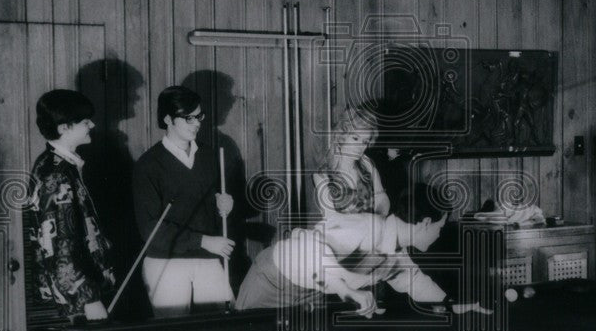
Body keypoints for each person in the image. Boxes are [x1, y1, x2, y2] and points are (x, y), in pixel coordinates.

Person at [237, 183, 489, 315]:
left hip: (307, 293)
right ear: (424, 223)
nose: (439, 233)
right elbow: (312, 251)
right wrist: (347, 291)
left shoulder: (398, 256)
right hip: (271, 277)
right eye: (439, 226)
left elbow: (416, 283)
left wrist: (452, 304)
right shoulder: (367, 227)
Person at [132, 86, 235, 316]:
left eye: (199, 116)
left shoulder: (209, 157)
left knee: (222, 325)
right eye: (188, 118)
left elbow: (214, 207)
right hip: (166, 261)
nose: (197, 124)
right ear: (168, 119)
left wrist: (225, 206)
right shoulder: (148, 165)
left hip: (207, 257)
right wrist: (203, 241)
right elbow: (151, 230)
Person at [28, 89, 116, 322]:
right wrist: (89, 299)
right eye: (85, 121)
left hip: (83, 288)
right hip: (79, 296)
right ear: (63, 128)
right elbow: (60, 247)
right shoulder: (56, 175)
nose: (92, 125)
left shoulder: (61, 164)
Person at [313, 104, 391, 218]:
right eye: (355, 138)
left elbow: (382, 198)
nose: (361, 147)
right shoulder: (323, 175)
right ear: (341, 136)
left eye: (365, 142)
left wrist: (378, 217)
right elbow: (331, 220)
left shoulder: (367, 164)